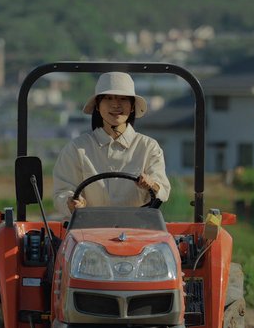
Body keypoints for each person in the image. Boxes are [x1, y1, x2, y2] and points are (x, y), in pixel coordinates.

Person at [53, 72, 170, 218]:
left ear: (132, 106)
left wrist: (151, 184)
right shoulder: (77, 149)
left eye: (123, 99)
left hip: (137, 229)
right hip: (88, 229)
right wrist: (72, 202)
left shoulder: (148, 147)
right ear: (97, 105)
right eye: (108, 98)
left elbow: (162, 190)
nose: (115, 104)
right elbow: (62, 191)